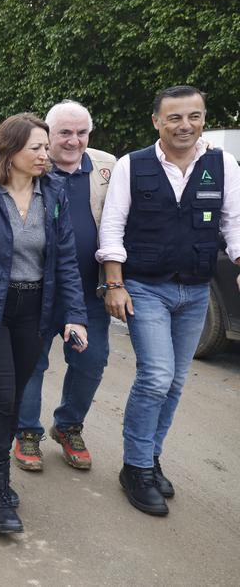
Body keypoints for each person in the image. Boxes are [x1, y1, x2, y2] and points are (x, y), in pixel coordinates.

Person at [98, 85, 240, 516]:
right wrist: (115, 284)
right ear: (157, 121)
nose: (186, 126)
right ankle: (136, 467)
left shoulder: (222, 163)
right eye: (175, 118)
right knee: (157, 376)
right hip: (145, 287)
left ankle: (150, 457)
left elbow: (233, 221)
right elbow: (112, 226)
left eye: (194, 116)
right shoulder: (132, 166)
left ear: (203, 118)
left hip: (195, 290)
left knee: (176, 383)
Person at [0, 113, 88, 534]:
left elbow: (65, 261)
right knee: (2, 396)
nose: (46, 155)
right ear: (9, 152)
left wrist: (75, 317)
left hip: (36, 312)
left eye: (47, 147)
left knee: (15, 396)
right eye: (37, 148)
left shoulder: (55, 195)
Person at [13, 101, 116, 472]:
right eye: (65, 133)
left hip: (89, 291)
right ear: (48, 135)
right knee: (31, 363)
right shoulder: (30, 166)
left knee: (91, 360)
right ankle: (27, 432)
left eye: (82, 133)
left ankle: (69, 425)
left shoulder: (109, 167)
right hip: (36, 289)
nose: (74, 141)